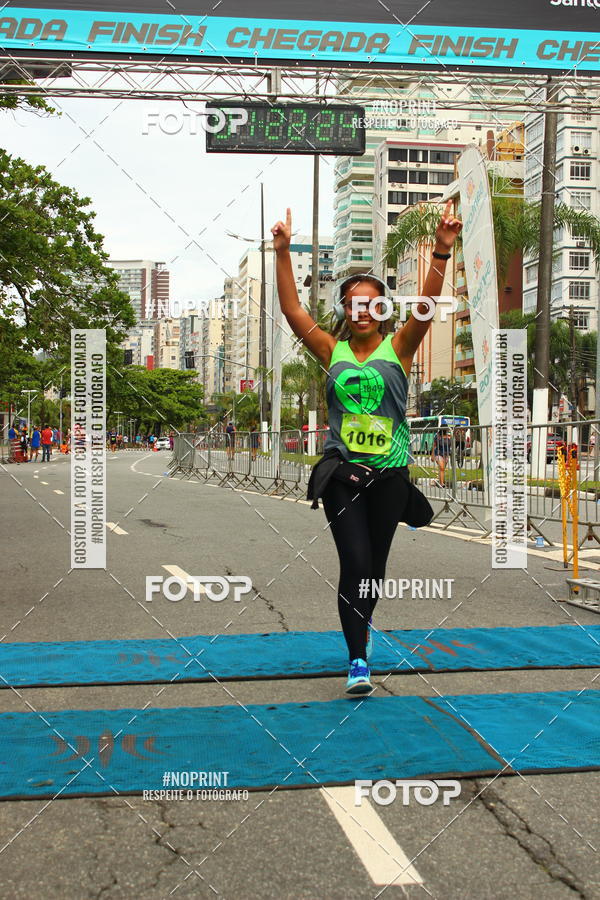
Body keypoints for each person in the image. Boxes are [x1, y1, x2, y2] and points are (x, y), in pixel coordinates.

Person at [272, 203, 461, 694]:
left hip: (391, 477)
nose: (362, 311)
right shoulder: (328, 349)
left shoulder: (398, 347)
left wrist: (442, 249)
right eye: (353, 303)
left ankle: (364, 628)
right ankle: (358, 661)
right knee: (354, 563)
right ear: (344, 310)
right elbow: (293, 309)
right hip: (343, 474)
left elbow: (426, 305)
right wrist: (283, 252)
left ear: (382, 310)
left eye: (372, 304)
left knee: (374, 571)